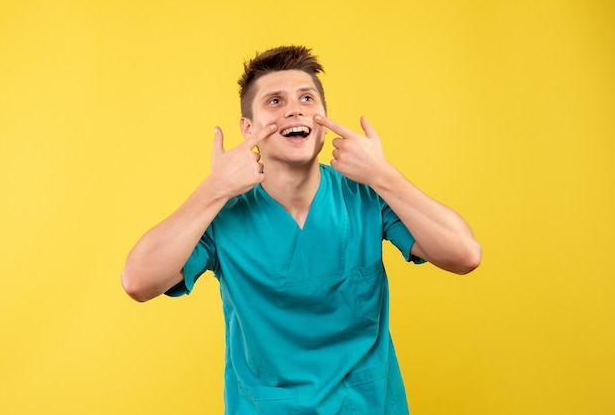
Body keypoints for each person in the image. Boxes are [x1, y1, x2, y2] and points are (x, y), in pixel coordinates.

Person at [121, 45, 481, 414]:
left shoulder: (368, 196)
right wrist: (213, 189)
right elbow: (138, 281)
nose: (294, 109)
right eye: (274, 101)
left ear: (322, 117)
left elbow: (464, 255)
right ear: (249, 128)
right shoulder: (222, 215)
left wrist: (383, 175)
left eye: (306, 98)